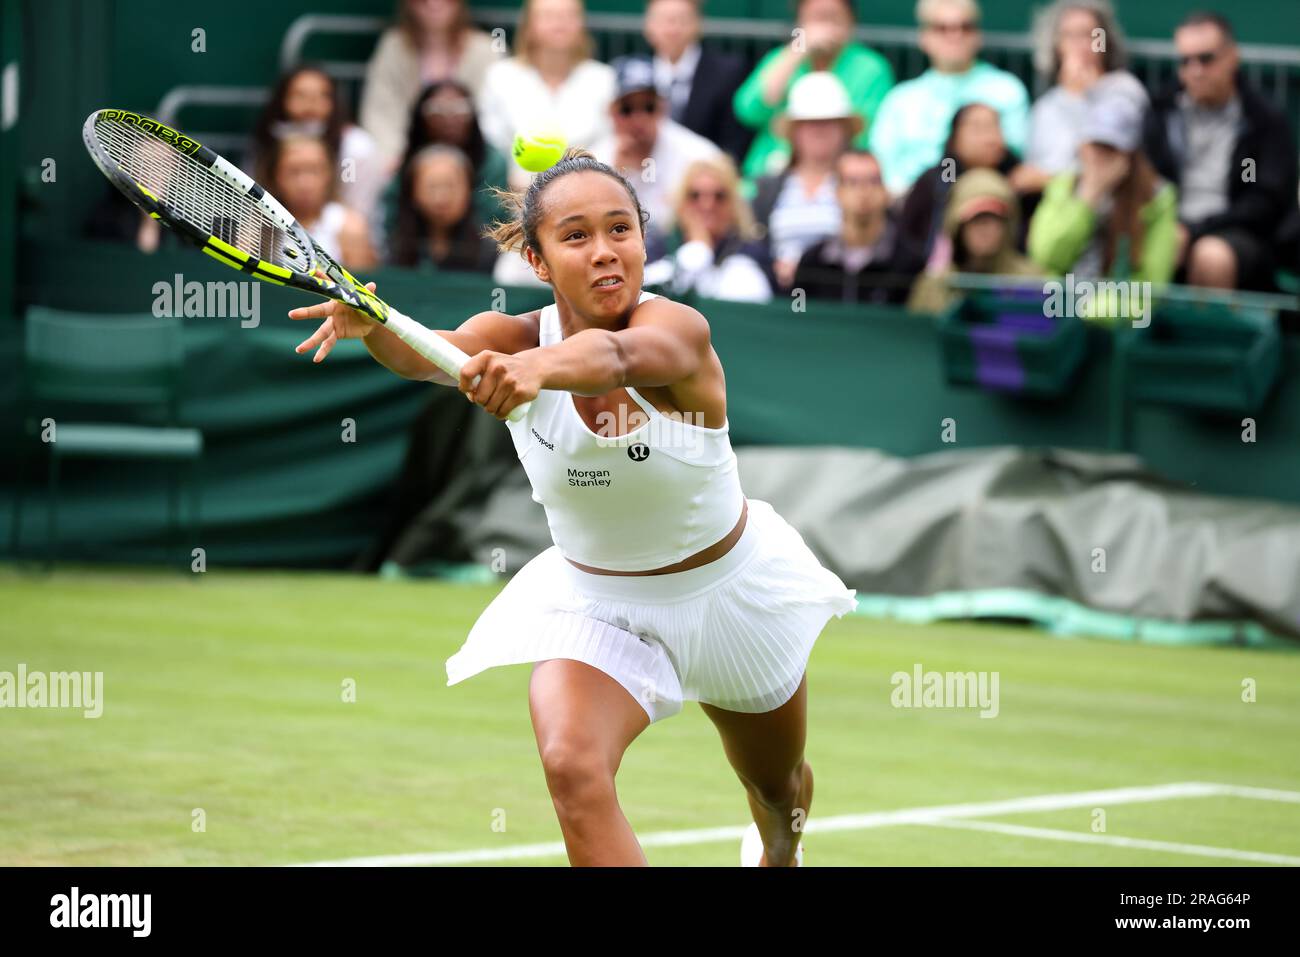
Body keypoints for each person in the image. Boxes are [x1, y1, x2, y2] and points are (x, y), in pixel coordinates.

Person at [287, 147, 857, 868]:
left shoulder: (678, 331)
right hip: (596, 602)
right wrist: (377, 328)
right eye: (576, 235)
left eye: (621, 229)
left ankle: (780, 849)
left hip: (732, 598)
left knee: (777, 788)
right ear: (538, 259)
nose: (605, 252)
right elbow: (435, 355)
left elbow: (617, 359)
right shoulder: (507, 339)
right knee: (571, 765)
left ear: (645, 239)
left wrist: (533, 371)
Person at [1143, 12, 1300, 291]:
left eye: (1206, 59)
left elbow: (1264, 202)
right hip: (1168, 225)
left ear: (1232, 57)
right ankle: (1137, 331)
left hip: (1239, 233)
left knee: (1211, 256)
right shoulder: (1160, 112)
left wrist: (1196, 230)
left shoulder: (1263, 121)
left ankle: (1203, 334)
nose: (1195, 70)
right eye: (1185, 61)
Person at [1029, 72, 1179, 290]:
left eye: (1111, 148)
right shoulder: (1063, 185)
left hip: (1116, 320)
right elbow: (1046, 257)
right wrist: (1088, 198)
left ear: (1130, 156)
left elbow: (1149, 287)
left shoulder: (1158, 197)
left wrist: (1089, 313)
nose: (1099, 157)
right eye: (1095, 145)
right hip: (1058, 312)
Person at [868, 0, 1029, 197]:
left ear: (978, 35)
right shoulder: (901, 99)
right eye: (942, 28)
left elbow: (1014, 158)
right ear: (924, 37)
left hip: (983, 202)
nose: (955, 35)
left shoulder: (1006, 90)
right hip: (909, 207)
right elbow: (882, 161)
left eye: (965, 27)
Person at [732, 0, 894, 181]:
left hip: (838, 177)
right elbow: (748, 110)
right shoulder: (782, 57)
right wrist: (798, 49)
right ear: (799, 22)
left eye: (833, 18)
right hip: (767, 175)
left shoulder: (870, 67)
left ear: (850, 21)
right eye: (816, 18)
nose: (824, 27)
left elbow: (863, 133)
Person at [590, 55, 723, 262]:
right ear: (611, 112)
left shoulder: (698, 154)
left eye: (648, 107)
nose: (639, 119)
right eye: (627, 109)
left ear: (662, 108)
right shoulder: (597, 160)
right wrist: (613, 176)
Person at [476, 0, 615, 191]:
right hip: (513, 197)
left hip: (587, 192)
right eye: (548, 16)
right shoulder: (500, 76)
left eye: (569, 15)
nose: (559, 23)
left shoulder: (604, 79)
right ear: (529, 26)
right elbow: (493, 142)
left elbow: (610, 142)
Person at [360, 0, 503, 170]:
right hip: (406, 164)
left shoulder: (487, 49)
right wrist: (397, 159)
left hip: (476, 164)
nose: (434, 3)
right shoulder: (393, 46)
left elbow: (495, 117)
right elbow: (380, 115)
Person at [751, 72, 858, 290]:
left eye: (829, 123)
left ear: (844, 130)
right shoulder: (769, 186)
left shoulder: (860, 181)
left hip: (835, 293)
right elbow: (754, 241)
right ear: (794, 132)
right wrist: (772, 268)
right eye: (809, 123)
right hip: (776, 293)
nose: (819, 131)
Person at [1013, 0, 1127, 196]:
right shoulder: (1045, 107)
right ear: (1056, 45)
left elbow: (1107, 167)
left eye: (1089, 35)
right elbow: (1027, 175)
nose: (1080, 45)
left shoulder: (1123, 92)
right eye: (1069, 35)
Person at [380, 79, 510, 245]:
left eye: (460, 109)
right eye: (437, 111)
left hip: (477, 253)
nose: (449, 118)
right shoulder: (407, 162)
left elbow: (495, 219)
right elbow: (392, 215)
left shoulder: (492, 161)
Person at [249, 66, 385, 223]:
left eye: (322, 95)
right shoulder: (267, 141)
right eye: (300, 95)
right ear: (283, 100)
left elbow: (356, 206)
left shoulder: (355, 149)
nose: (310, 104)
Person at [897, 103, 1020, 271]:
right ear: (954, 137)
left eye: (995, 126)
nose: (990, 137)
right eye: (978, 128)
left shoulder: (1018, 180)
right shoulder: (935, 182)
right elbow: (908, 240)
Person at [907, 168, 1042, 314]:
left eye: (994, 219)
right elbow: (916, 333)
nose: (985, 230)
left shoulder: (1032, 282)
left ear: (1007, 226)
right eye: (976, 220)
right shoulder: (934, 286)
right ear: (957, 227)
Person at [644, 154, 774, 303]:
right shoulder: (660, 246)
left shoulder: (751, 250)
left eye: (719, 196)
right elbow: (646, 292)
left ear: (733, 205)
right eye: (695, 195)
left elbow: (752, 304)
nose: (707, 205)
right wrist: (698, 250)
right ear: (681, 203)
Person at [796, 150, 913, 305]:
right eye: (852, 182)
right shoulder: (812, 262)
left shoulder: (910, 264)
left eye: (873, 181)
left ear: (885, 191)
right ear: (837, 192)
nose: (864, 191)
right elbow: (796, 320)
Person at [644, 0, 753, 166]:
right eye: (664, 20)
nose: (673, 29)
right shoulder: (634, 74)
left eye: (682, 20)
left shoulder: (728, 73)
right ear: (648, 26)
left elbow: (734, 144)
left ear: (698, 24)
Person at [265, 136, 377, 270]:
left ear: (328, 174)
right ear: (276, 176)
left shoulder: (350, 227)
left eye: (314, 170)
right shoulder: (258, 224)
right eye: (293, 171)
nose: (304, 183)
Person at [389, 144, 498, 272]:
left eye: (450, 186)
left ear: (469, 190)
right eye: (432, 187)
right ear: (413, 192)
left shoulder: (489, 251)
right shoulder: (395, 246)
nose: (441, 198)